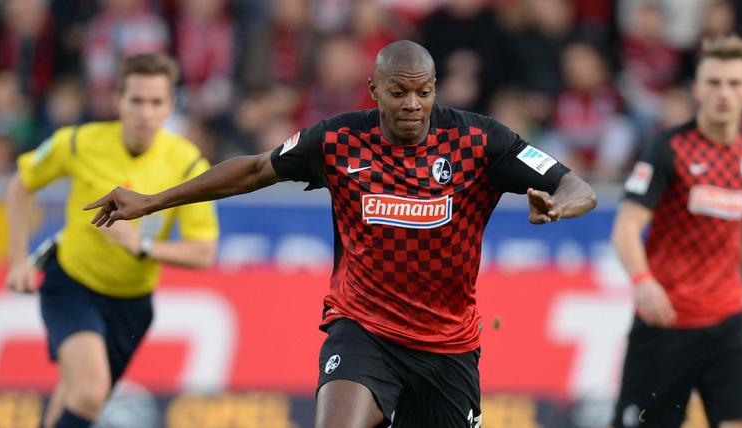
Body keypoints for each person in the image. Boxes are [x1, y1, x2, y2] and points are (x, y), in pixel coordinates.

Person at [84, 40, 597, 428]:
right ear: (375, 91)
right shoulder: (336, 140)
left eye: (423, 91)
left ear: (435, 88)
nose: (413, 104)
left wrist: (558, 205)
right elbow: (255, 170)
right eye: (399, 93)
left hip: (448, 345)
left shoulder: (480, 140)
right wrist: (151, 201)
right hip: (363, 328)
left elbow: (577, 187)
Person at [4, 53, 219, 428]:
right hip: (72, 284)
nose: (145, 113)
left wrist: (143, 247)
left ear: (170, 106)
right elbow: (23, 183)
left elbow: (204, 252)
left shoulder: (187, 166)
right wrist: (19, 259)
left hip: (132, 304)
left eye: (156, 102)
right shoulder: (78, 143)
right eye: (136, 100)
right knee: (89, 393)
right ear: (117, 100)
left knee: (76, 396)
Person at [610, 35, 742, 428]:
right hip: (665, 323)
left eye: (735, 83)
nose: (724, 93)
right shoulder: (667, 150)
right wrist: (643, 281)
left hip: (728, 322)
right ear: (697, 89)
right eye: (714, 82)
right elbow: (626, 227)